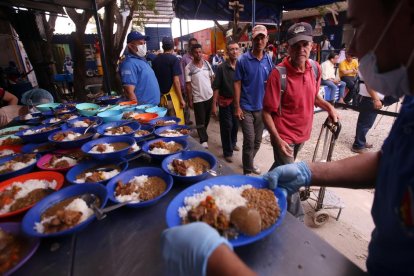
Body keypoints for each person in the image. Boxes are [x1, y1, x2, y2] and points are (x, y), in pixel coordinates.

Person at [161, 0, 414, 275]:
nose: (350, 49)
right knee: (277, 170)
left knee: (278, 176)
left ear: (406, 13)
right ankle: (292, 216)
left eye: (358, 27)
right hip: (275, 126)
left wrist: (217, 263)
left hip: (300, 132)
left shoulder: (314, 69)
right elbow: (389, 160)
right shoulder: (410, 105)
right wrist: (309, 172)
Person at [262, 22, 338, 218]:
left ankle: (262, 188)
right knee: (293, 176)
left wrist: (329, 107)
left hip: (302, 133)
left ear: (312, 45)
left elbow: (313, 96)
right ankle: (298, 220)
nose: (301, 49)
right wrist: (278, 140)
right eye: (296, 45)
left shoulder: (314, 69)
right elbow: (267, 112)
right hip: (284, 135)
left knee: (282, 168)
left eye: (305, 44)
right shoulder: (278, 75)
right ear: (288, 47)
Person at [234, 25, 273, 175]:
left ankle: (249, 162)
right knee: (249, 141)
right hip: (246, 108)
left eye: (262, 37)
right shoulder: (243, 60)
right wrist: (237, 106)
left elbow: (272, 82)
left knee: (257, 141)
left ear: (267, 39)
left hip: (262, 108)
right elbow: (237, 83)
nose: (260, 41)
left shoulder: (269, 60)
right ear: (252, 40)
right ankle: (247, 172)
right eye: (257, 38)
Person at [212, 41, 240, 163]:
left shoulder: (241, 66)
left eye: (236, 49)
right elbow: (216, 87)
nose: (234, 51)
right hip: (225, 102)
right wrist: (214, 105)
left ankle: (233, 143)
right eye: (232, 49)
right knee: (226, 126)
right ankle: (227, 152)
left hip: (238, 102)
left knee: (235, 125)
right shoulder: (221, 68)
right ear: (227, 52)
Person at [185, 44, 214, 148]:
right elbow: (188, 85)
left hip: (209, 96)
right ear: (192, 54)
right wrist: (190, 100)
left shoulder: (207, 64)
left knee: (207, 118)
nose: (198, 54)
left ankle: (202, 131)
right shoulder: (188, 67)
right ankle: (203, 139)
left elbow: (212, 78)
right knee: (200, 119)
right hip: (198, 98)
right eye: (196, 52)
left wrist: (213, 93)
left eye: (200, 52)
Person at [119, 31, 160, 105]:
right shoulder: (129, 64)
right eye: (140, 44)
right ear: (130, 46)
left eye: (144, 43)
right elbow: (129, 91)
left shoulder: (142, 60)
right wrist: (137, 112)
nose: (143, 46)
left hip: (152, 108)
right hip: (143, 111)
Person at [152, 37, 186, 123]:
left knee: (163, 125)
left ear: (163, 47)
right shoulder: (174, 59)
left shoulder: (155, 60)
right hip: (172, 100)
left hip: (160, 99)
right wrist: (181, 99)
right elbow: (176, 81)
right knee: (174, 125)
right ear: (173, 46)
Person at [351, 73, 383, 153]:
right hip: (370, 98)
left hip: (371, 98)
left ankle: (361, 141)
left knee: (367, 123)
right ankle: (358, 145)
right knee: (365, 123)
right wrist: (376, 99)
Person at [180, 38, 199, 125]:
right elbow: (182, 73)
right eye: (192, 45)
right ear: (189, 46)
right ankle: (186, 121)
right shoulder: (185, 58)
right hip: (188, 86)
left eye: (195, 44)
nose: (194, 46)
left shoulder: (199, 56)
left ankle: (198, 120)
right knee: (187, 104)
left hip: (197, 86)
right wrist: (183, 88)